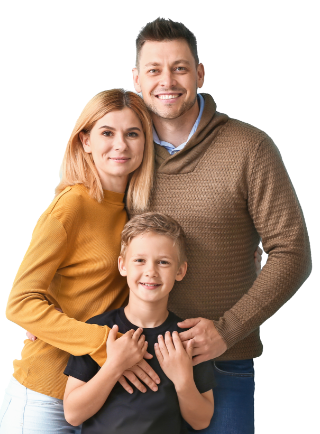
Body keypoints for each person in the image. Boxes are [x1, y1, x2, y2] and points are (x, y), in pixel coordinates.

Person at [127, 17, 313, 434]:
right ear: (137, 79)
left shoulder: (249, 147)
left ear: (199, 73)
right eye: (154, 69)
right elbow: (82, 238)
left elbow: (293, 252)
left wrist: (227, 331)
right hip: (134, 362)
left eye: (179, 67)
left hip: (222, 363)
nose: (167, 81)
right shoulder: (122, 151)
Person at [1, 88, 157, 433]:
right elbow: (20, 304)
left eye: (133, 133)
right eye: (107, 133)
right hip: (46, 393)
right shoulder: (71, 206)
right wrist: (102, 343)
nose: (121, 145)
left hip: (103, 396)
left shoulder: (137, 212)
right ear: (84, 141)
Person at [63, 212, 216, 434]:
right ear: (123, 265)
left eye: (163, 262)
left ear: (180, 270)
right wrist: (114, 366)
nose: (151, 271)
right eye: (139, 260)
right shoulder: (97, 329)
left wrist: (183, 380)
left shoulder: (188, 338)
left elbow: (201, 421)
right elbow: (73, 414)